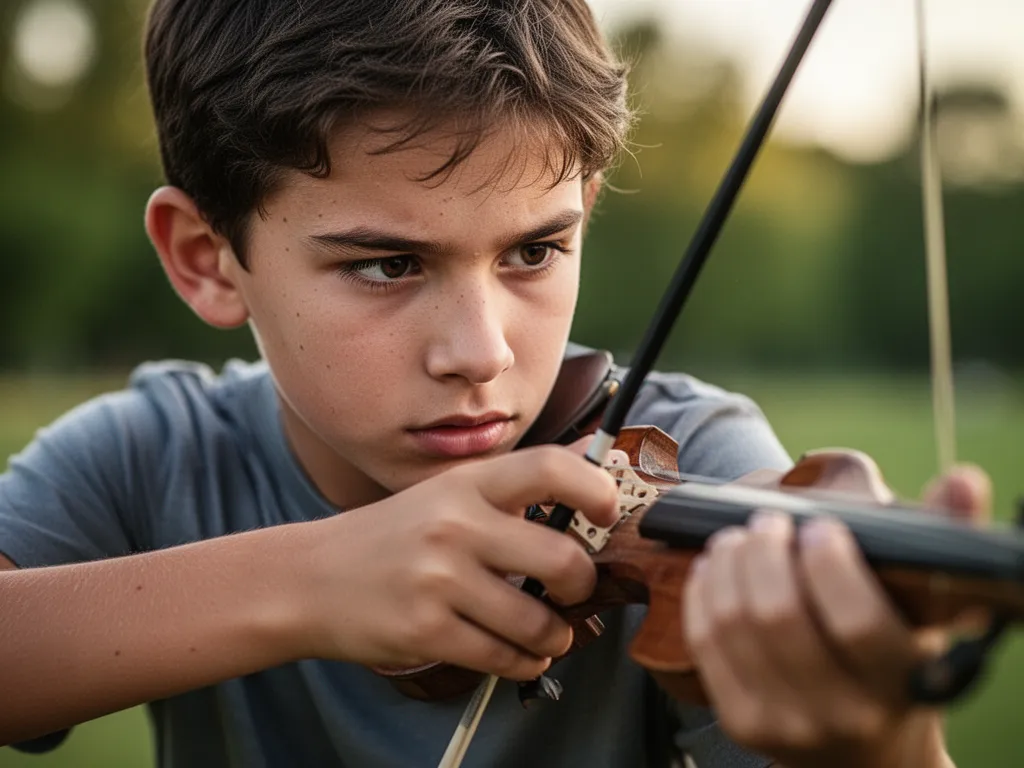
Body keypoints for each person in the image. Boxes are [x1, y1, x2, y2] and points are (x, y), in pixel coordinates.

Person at [0, 1, 990, 766]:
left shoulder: (685, 465)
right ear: (208, 259)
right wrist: (312, 580)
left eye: (534, 249)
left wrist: (880, 747)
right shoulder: (151, 454)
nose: (480, 353)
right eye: (385, 265)